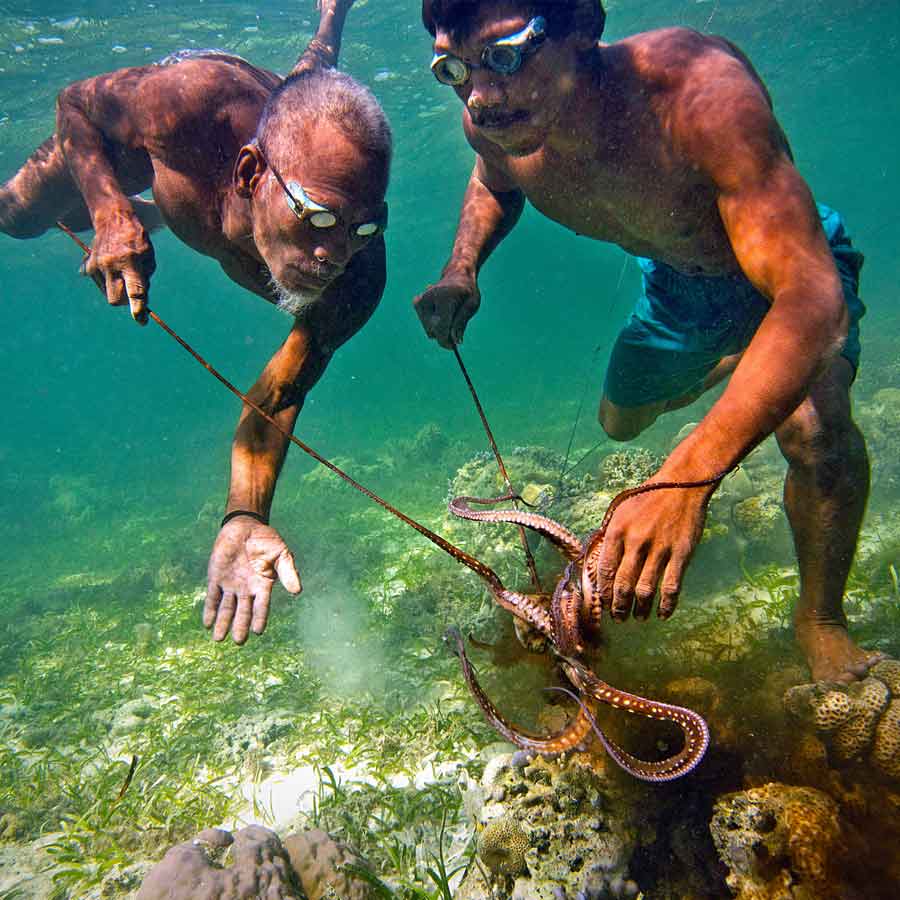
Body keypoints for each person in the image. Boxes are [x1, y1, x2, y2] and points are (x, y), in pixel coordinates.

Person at [413, 0, 875, 683]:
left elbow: (812, 300)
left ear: (582, 28)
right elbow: (493, 182)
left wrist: (688, 476)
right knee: (620, 423)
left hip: (779, 272)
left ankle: (821, 622)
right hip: (675, 287)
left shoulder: (700, 94)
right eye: (454, 67)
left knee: (814, 434)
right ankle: (742, 365)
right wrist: (462, 270)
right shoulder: (499, 126)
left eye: (505, 53)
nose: (481, 94)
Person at [0, 0, 391, 645]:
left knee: (303, 87)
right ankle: (328, 18)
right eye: (318, 219)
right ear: (249, 176)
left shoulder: (358, 274)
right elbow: (74, 102)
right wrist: (107, 212)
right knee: (17, 215)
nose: (332, 257)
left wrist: (244, 515)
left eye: (362, 228)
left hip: (271, 136)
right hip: (160, 148)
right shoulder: (185, 106)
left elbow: (280, 394)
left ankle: (329, 21)